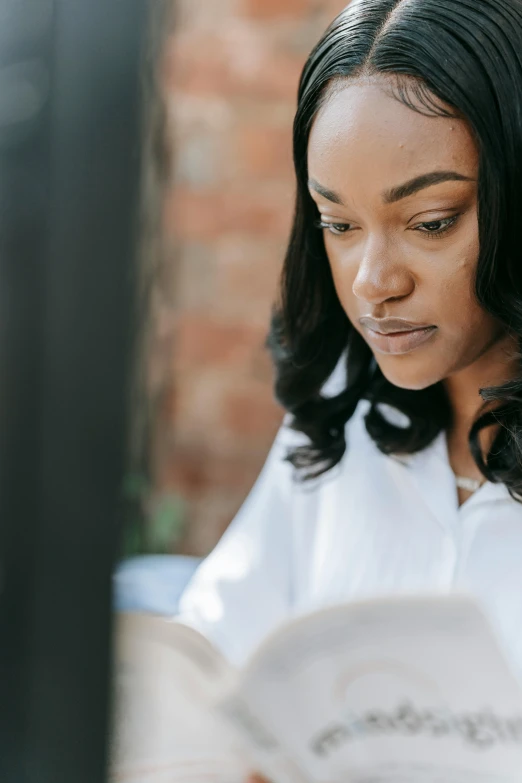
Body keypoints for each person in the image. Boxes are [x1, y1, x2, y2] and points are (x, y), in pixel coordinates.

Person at [178, 0, 522, 693]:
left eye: (430, 222)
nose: (373, 282)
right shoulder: (342, 415)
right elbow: (211, 649)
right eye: (338, 223)